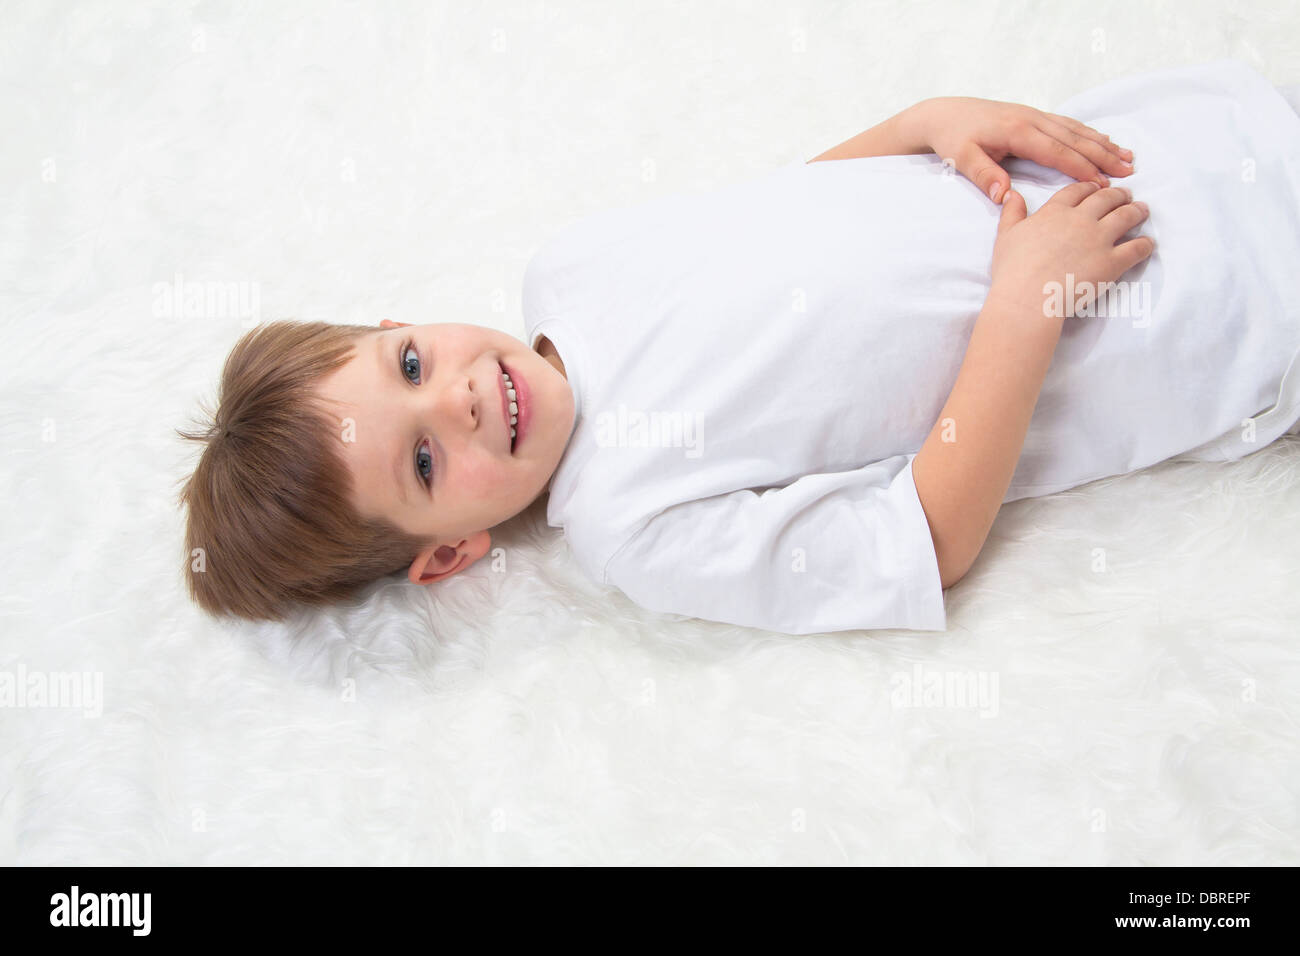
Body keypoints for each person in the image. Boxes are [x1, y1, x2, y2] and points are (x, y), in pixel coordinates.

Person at [179, 58, 1300, 633]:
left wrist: (919, 126)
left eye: (413, 365)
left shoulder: (565, 266)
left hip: (1124, 164)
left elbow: (780, 214)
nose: (460, 398)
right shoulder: (636, 531)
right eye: (423, 462)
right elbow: (924, 539)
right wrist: (1022, 310)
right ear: (446, 554)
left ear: (398, 325)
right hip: (1173, 311)